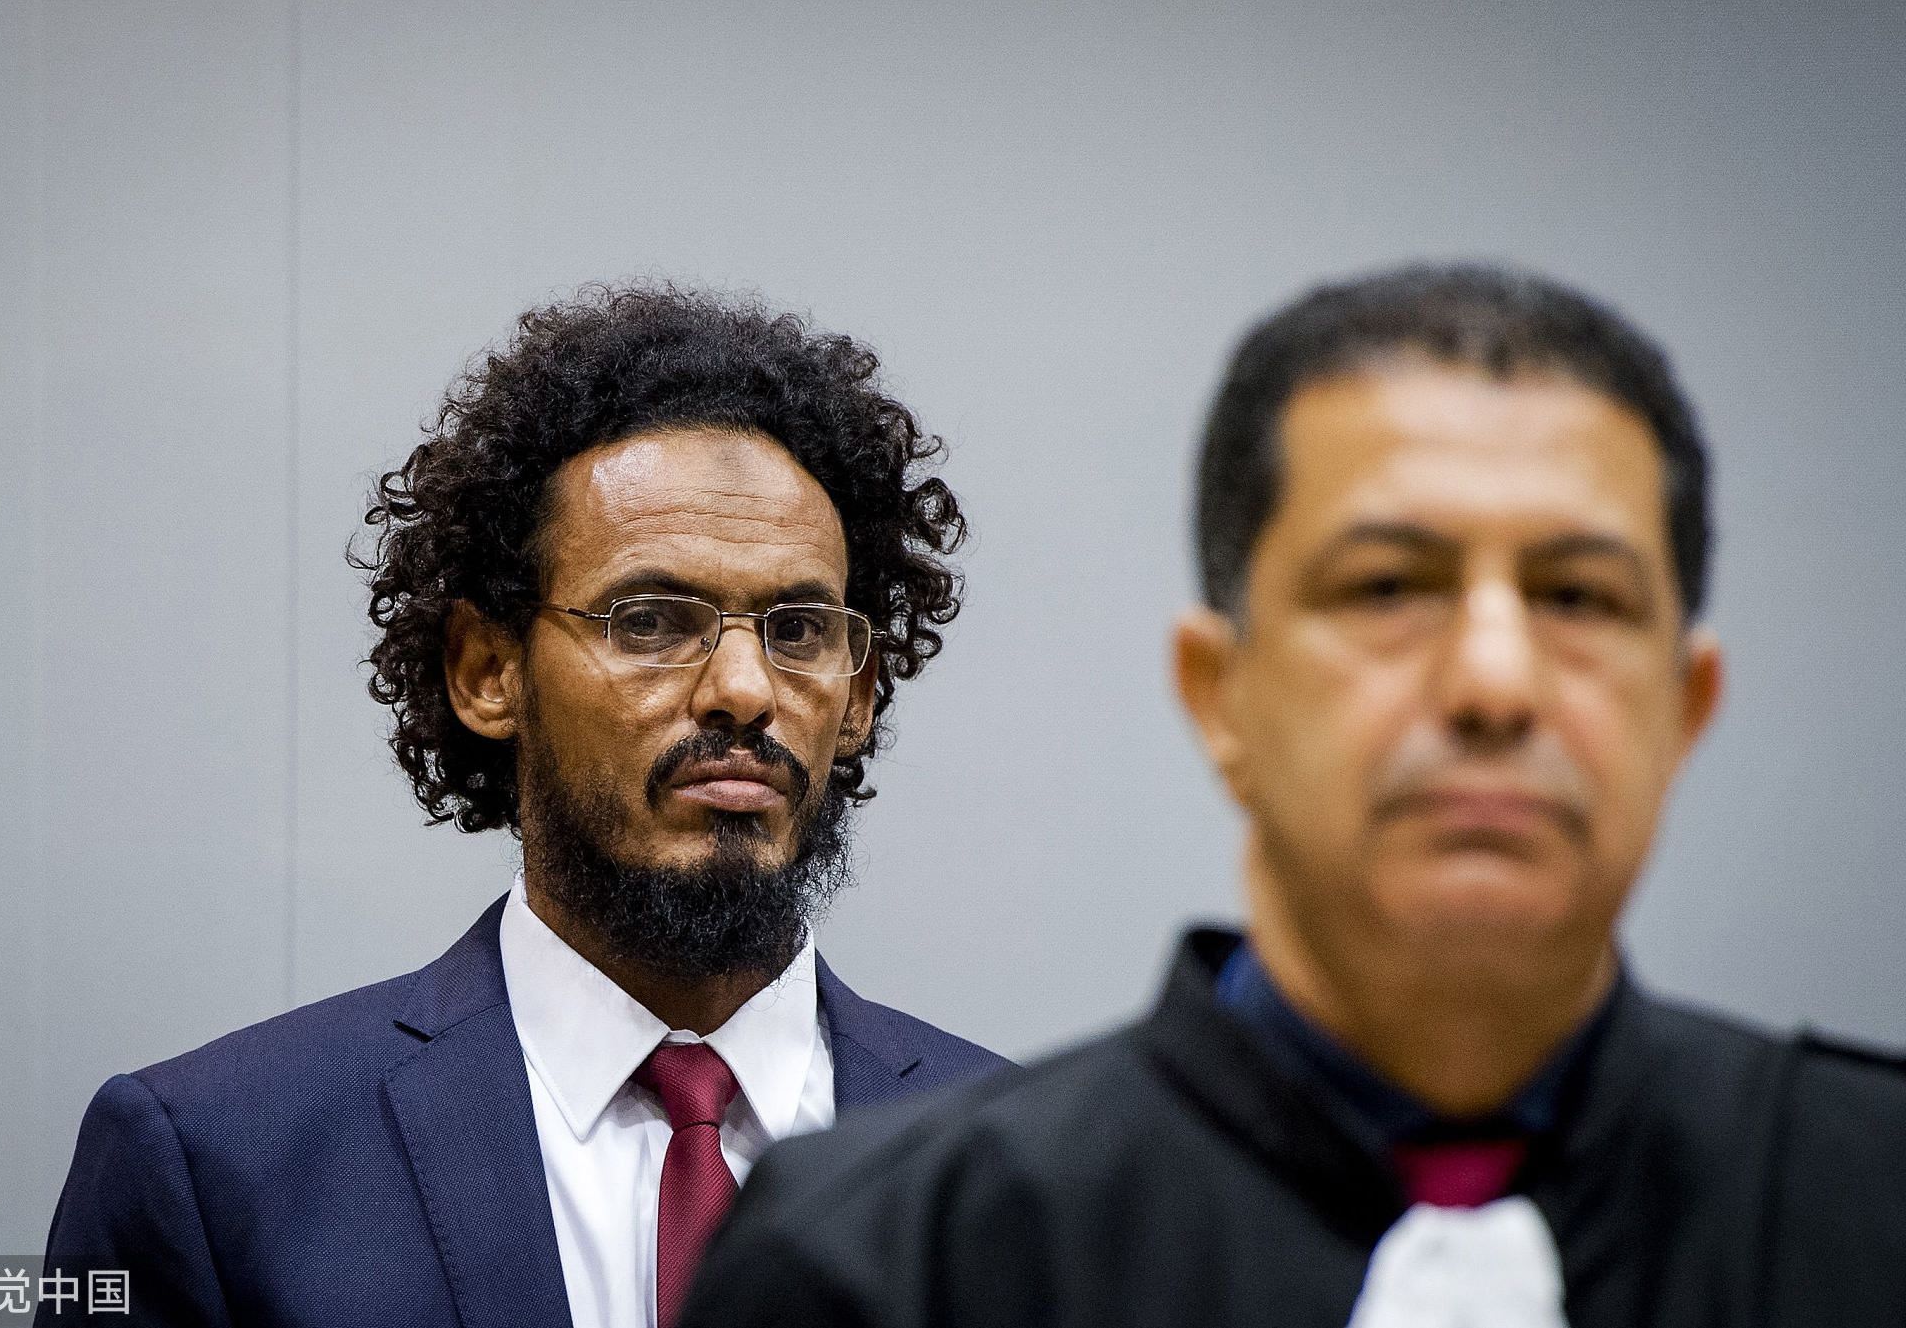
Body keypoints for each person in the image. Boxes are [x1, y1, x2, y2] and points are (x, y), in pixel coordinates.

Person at [679, 265, 1906, 1328]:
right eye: (1386, 588)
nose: (1491, 682)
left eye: (1577, 598)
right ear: (1219, 693)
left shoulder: (1870, 1201)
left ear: (1684, 706)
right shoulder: (890, 1265)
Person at [37, 286, 1007, 1328]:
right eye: (650, 619)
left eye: (801, 630)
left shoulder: (1023, 1178)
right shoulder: (215, 1162)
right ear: (485, 670)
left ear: (859, 697)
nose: (743, 688)